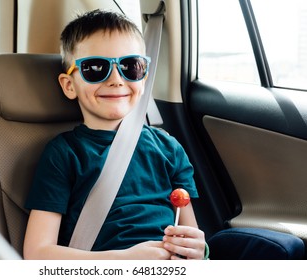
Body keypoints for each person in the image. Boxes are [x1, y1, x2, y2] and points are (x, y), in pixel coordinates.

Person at [23, 9, 206, 260]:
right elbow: (37, 253)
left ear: (144, 79)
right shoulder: (63, 154)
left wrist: (199, 251)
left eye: (131, 66)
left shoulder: (169, 149)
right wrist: (123, 261)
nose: (117, 79)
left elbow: (189, 233)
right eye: (95, 68)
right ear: (69, 85)